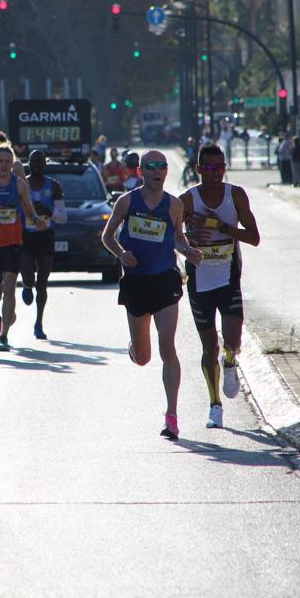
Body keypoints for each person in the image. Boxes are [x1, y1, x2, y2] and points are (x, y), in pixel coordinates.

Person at [102, 150, 202, 440]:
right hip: (135, 282)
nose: (157, 171)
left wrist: (189, 252)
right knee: (144, 358)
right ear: (141, 172)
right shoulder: (126, 201)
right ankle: (134, 346)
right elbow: (107, 237)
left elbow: (178, 239)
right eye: (151, 167)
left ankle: (172, 415)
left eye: (162, 167)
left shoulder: (173, 205)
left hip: (165, 281)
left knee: (167, 348)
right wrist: (121, 254)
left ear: (166, 172)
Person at [179, 143, 260, 429]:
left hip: (228, 277)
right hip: (199, 281)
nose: (216, 174)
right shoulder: (187, 200)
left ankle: (230, 361)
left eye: (220, 167)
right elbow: (172, 237)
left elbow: (254, 237)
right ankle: (215, 406)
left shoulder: (235, 195)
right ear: (199, 169)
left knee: (233, 339)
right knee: (208, 345)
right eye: (210, 169)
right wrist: (189, 237)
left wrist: (223, 227)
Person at [0, 144, 45, 351]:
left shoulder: (18, 184)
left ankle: (4, 337)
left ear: (12, 163)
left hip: (13, 241)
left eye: (7, 161)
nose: (4, 165)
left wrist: (36, 219)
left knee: (9, 285)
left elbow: (28, 206)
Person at [20, 150, 67, 339]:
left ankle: (38, 323)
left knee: (43, 283)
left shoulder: (53, 186)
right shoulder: (23, 185)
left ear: (45, 164)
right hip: (26, 236)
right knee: (29, 278)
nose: (37, 165)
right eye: (34, 162)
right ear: (28, 164)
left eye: (40, 162)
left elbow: (63, 218)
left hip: (45, 236)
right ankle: (26, 285)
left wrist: (48, 211)